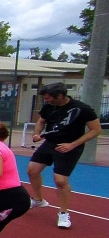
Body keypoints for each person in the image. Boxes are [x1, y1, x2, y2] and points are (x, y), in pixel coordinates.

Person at [26, 82, 101, 229]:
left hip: (69, 147)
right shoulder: (49, 107)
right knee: (32, 170)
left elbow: (95, 130)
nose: (46, 101)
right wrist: (37, 133)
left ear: (60, 96)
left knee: (60, 180)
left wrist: (72, 144)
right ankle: (38, 199)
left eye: (48, 98)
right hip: (49, 143)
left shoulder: (82, 109)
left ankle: (63, 213)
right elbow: (41, 121)